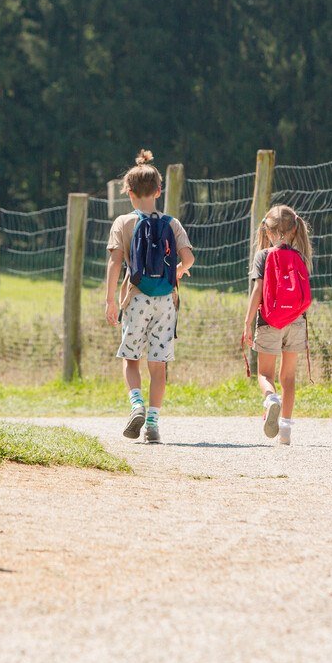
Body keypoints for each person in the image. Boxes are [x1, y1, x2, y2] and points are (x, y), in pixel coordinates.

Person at [105, 149, 196, 444]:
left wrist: (110, 301)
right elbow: (189, 258)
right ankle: (153, 423)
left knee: (131, 359)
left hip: (136, 297)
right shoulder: (172, 223)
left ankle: (136, 405)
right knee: (158, 366)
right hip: (166, 301)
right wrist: (179, 271)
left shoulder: (123, 223)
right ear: (159, 190)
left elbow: (115, 263)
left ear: (129, 193)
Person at [242, 205, 313, 446]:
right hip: (295, 321)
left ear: (268, 231)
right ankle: (285, 430)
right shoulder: (301, 257)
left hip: (269, 321)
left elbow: (257, 290)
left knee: (264, 374)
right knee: (289, 377)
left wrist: (247, 322)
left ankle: (271, 399)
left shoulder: (262, 255)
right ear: (294, 230)